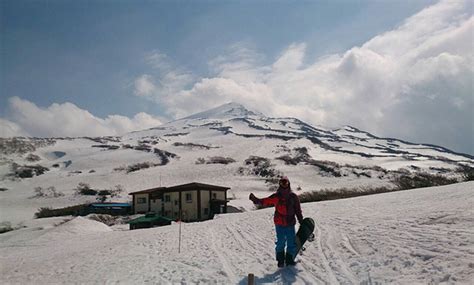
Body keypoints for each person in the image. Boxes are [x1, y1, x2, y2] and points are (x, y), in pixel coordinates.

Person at [249, 176, 303, 267]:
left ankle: (289, 260)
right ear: (279, 184)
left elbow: (298, 210)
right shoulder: (277, 196)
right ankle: (280, 260)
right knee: (281, 242)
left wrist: (301, 220)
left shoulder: (293, 197)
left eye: (285, 183)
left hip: (290, 223)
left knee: (291, 242)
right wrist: (256, 200)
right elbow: (266, 201)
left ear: (288, 184)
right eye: (282, 183)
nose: (284, 184)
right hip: (280, 224)